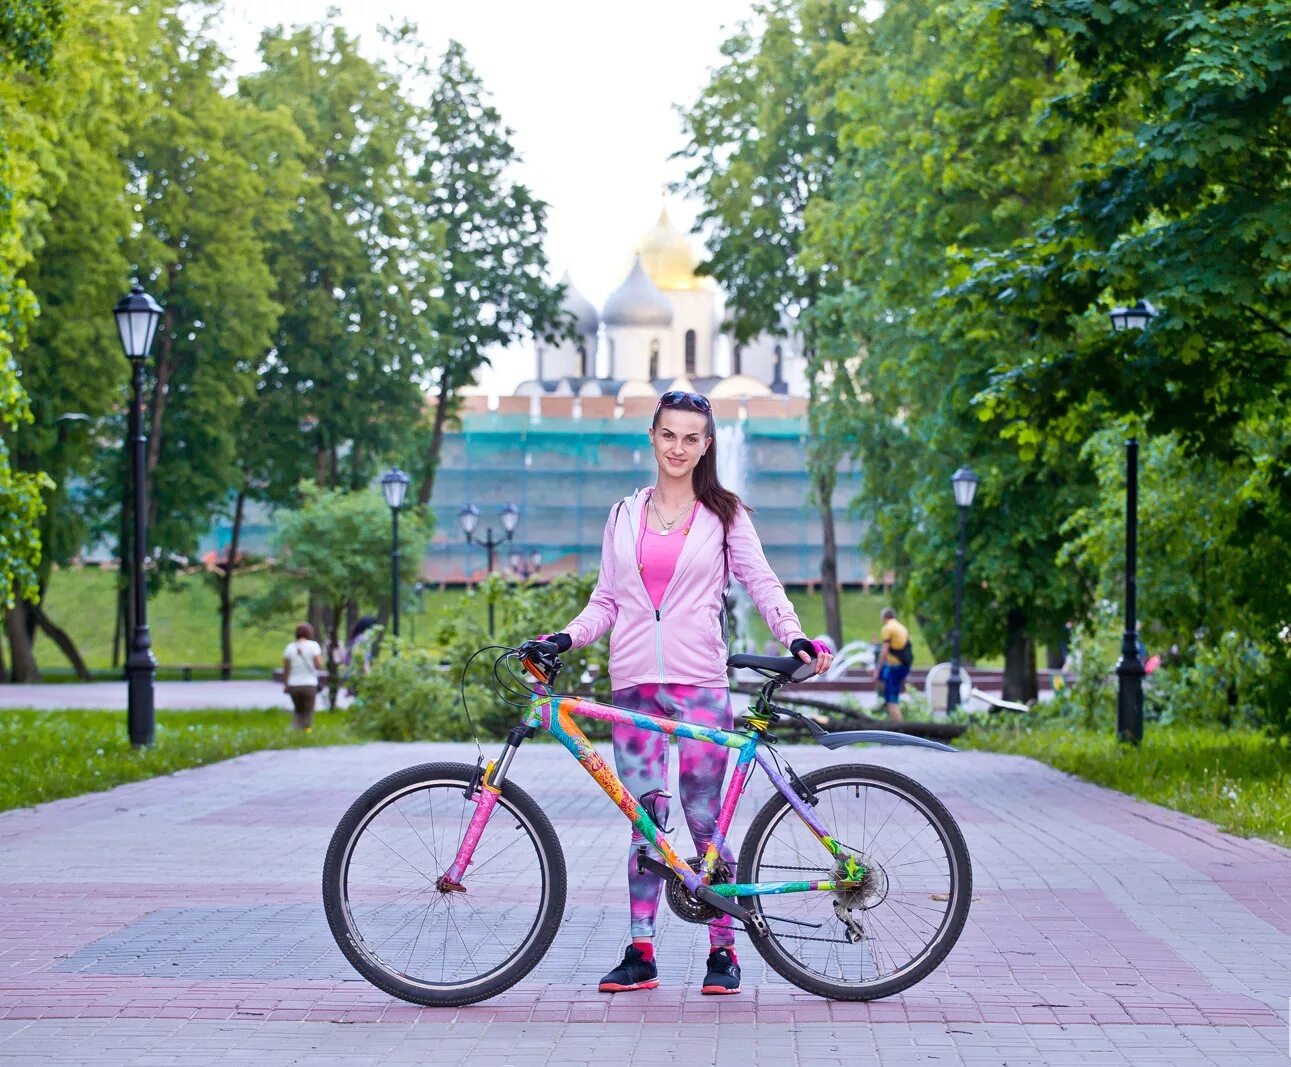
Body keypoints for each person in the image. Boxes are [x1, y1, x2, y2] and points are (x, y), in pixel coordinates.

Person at [534, 390, 832, 998]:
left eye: (691, 438)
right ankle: (641, 951)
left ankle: (723, 952)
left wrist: (794, 635)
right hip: (634, 685)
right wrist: (565, 637)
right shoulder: (623, 514)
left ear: (707, 444)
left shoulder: (724, 514)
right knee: (645, 819)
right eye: (669, 435)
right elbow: (606, 601)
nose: (679, 448)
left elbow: (761, 582)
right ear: (652, 436)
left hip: (700, 682)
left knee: (703, 819)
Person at [282, 622, 323, 730]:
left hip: (293, 684)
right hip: (309, 683)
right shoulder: (314, 646)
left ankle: (295, 730)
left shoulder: (289, 647)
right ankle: (306, 731)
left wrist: (286, 685)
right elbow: (319, 665)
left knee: (298, 710)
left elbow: (286, 669)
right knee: (307, 711)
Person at [872, 607, 910, 722]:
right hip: (902, 666)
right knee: (888, 690)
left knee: (891, 700)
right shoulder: (902, 628)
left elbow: (884, 651)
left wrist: (877, 671)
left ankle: (899, 728)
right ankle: (886, 711)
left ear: (884, 617)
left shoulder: (887, 628)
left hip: (894, 667)